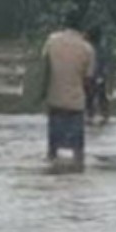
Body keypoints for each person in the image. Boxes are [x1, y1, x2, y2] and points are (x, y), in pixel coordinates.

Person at [39, 11, 95, 169]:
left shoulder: (51, 41)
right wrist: (91, 109)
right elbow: (89, 82)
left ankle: (52, 175)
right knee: (78, 154)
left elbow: (42, 70)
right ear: (82, 27)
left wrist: (40, 95)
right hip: (75, 105)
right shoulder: (87, 49)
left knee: (52, 151)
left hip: (54, 102)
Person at [85, 26, 112, 124]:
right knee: (101, 99)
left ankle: (90, 116)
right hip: (99, 77)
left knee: (89, 100)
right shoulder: (101, 49)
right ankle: (104, 117)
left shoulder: (87, 48)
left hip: (90, 77)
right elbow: (104, 64)